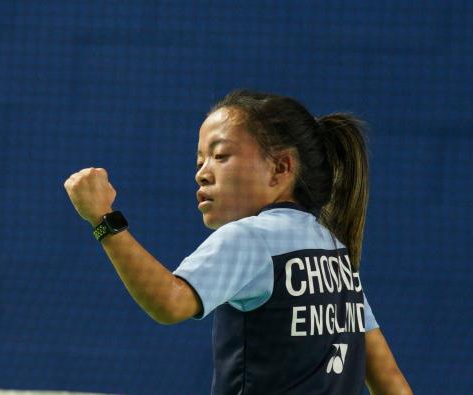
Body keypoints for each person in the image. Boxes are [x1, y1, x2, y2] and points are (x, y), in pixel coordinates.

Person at [64, 90, 412, 394]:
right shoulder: (333, 251)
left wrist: (103, 220)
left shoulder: (252, 237)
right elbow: (389, 378)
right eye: (200, 160)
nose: (201, 172)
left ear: (280, 167)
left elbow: (169, 302)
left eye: (220, 155)